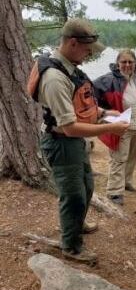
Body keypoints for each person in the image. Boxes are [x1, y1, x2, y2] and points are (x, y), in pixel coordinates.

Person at [27, 18, 129, 263]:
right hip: (61, 144)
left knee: (87, 187)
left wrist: (105, 113)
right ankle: (71, 246)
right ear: (73, 43)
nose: (89, 54)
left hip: (73, 143)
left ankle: (76, 224)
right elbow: (69, 127)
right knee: (73, 196)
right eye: (87, 49)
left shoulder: (70, 68)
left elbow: (80, 105)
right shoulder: (54, 78)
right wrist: (110, 129)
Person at [93, 49, 136, 206]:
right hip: (120, 126)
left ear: (135, 64)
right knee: (118, 159)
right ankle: (114, 191)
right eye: (124, 62)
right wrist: (104, 116)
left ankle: (126, 181)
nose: (127, 65)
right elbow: (91, 96)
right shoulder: (108, 80)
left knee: (132, 157)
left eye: (130, 62)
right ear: (118, 63)